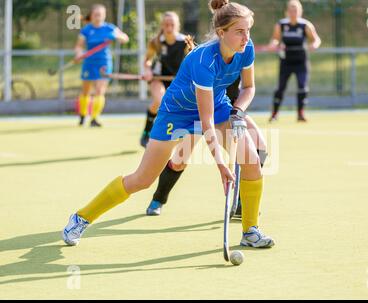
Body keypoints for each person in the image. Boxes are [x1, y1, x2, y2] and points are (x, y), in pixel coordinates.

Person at [62, 0, 275, 249]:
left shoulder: (246, 49)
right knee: (143, 179)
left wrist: (238, 111)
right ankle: (81, 217)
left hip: (218, 106)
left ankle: (250, 231)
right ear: (221, 32)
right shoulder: (203, 60)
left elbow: (248, 88)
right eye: (240, 31)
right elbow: (204, 122)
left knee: (251, 163)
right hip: (177, 113)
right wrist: (221, 166)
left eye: (248, 30)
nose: (246, 37)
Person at [145, 76, 268, 219]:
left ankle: (241, 201)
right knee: (179, 161)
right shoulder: (207, 58)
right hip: (199, 112)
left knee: (260, 147)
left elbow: (246, 88)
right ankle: (158, 199)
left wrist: (238, 111)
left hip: (228, 110)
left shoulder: (243, 56)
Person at [140, 11, 192, 147]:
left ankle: (175, 133)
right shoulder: (156, 42)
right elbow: (147, 61)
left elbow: (193, 61)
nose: (169, 28)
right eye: (166, 24)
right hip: (159, 78)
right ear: (162, 25)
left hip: (178, 80)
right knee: (159, 101)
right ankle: (147, 132)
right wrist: (147, 71)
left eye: (172, 24)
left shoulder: (185, 41)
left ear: (177, 25)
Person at [75, 4, 129, 127]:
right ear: (92, 15)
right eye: (96, 14)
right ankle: (83, 115)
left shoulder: (110, 28)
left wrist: (117, 36)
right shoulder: (86, 30)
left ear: (104, 16)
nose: (98, 17)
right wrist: (79, 54)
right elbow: (79, 46)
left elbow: (125, 38)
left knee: (100, 90)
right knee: (86, 91)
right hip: (89, 62)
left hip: (104, 62)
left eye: (100, 15)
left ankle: (94, 118)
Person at [268, 0, 321, 122]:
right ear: (286, 11)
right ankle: (274, 114)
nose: (293, 13)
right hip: (285, 61)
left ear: (300, 12)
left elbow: (316, 40)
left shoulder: (305, 25)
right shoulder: (281, 25)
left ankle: (300, 114)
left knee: (302, 87)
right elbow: (275, 40)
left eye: (296, 10)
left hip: (301, 62)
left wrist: (314, 45)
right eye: (291, 10)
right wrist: (274, 45)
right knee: (280, 88)